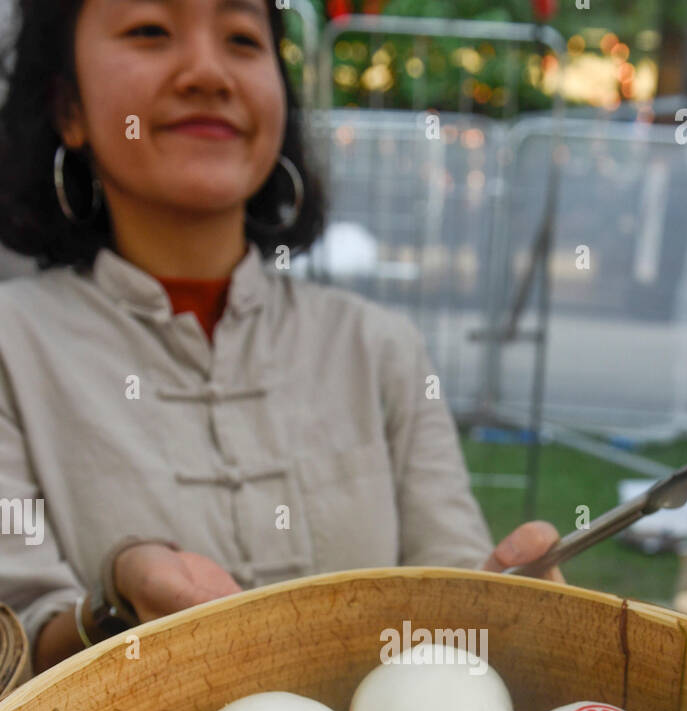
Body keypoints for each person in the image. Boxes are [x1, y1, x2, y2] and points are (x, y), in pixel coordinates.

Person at [0, 0, 562, 676]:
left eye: (241, 39)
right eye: (150, 31)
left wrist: (504, 607)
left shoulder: (379, 347)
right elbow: (18, 656)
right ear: (68, 107)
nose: (208, 72)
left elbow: (452, 590)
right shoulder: (13, 347)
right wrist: (112, 602)